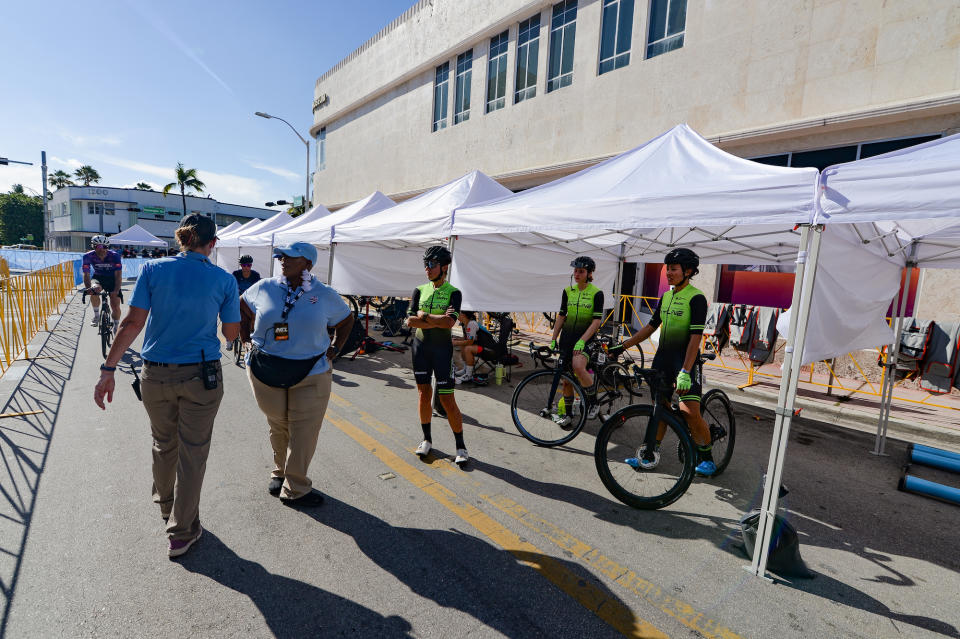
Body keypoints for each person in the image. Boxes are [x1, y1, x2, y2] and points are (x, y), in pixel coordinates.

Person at [93, 213, 240, 558]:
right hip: (201, 376)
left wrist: (108, 368)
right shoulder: (224, 280)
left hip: (155, 375)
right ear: (212, 243)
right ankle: (182, 531)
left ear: (180, 240)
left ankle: (167, 507)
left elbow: (131, 323)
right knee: (193, 453)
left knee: (163, 444)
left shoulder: (152, 270)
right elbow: (231, 334)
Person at [240, 241, 355, 507]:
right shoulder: (266, 287)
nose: (283, 260)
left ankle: (296, 487)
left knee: (303, 432)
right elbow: (243, 307)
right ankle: (279, 472)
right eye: (282, 256)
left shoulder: (323, 294)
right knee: (278, 425)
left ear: (308, 263)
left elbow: (346, 319)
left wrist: (336, 348)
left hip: (311, 372)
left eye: (291, 257)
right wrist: (245, 337)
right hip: (265, 370)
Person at [609, 248, 716, 476]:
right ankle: (649, 455)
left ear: (688, 271)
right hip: (663, 360)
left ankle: (707, 457)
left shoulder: (696, 297)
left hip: (685, 361)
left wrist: (686, 371)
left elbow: (696, 337)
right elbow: (650, 327)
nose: (668, 273)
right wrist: (624, 345)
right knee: (660, 407)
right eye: (667, 269)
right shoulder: (666, 296)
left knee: (689, 411)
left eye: (673, 269)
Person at [405, 245, 469, 466]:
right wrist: (433, 318)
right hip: (420, 348)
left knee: (447, 398)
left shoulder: (454, 293)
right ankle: (426, 439)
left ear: (444, 267)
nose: (427, 269)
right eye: (425, 265)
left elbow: (449, 322)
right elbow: (409, 321)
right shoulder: (419, 290)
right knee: (424, 393)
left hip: (442, 351)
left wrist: (424, 316)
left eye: (431, 264)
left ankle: (461, 446)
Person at [549, 256, 604, 423]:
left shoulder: (596, 293)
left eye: (581, 271)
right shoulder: (567, 291)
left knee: (578, 367)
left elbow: (596, 321)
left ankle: (594, 403)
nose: (577, 274)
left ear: (589, 273)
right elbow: (562, 316)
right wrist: (553, 338)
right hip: (566, 339)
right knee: (566, 381)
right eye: (575, 271)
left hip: (585, 340)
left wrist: (582, 340)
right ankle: (568, 415)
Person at [82, 235, 123, 330]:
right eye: (98, 246)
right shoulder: (88, 256)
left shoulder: (115, 256)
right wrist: (88, 288)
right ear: (93, 246)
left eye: (105, 247)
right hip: (98, 277)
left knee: (115, 303)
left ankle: (116, 325)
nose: (102, 249)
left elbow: (118, 275)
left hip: (112, 278)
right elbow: (86, 274)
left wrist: (116, 290)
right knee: (94, 289)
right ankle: (96, 315)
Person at [453, 310, 480, 383]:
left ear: (463, 315)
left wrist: (456, 342)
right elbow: (467, 339)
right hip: (478, 345)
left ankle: (468, 375)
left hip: (487, 348)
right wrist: (457, 340)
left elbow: (470, 341)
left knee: (468, 348)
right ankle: (465, 369)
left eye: (459, 312)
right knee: (463, 345)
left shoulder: (471, 324)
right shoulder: (465, 323)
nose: (457, 314)